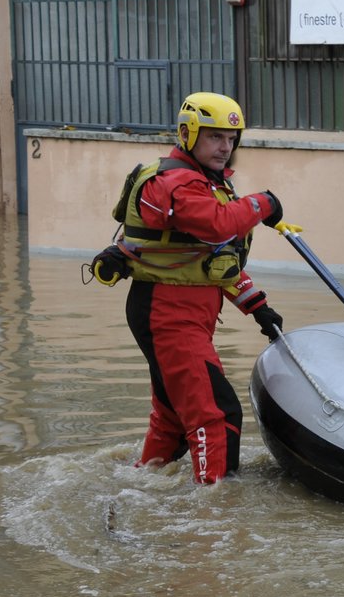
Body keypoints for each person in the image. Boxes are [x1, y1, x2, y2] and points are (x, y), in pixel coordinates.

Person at [87, 91, 297, 484]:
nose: (225, 147)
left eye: (232, 139)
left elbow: (213, 262)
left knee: (171, 418)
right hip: (167, 314)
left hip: (182, 312)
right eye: (215, 136)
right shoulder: (172, 183)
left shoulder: (207, 184)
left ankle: (139, 486)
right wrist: (264, 203)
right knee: (216, 415)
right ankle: (212, 516)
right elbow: (219, 225)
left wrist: (258, 308)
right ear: (188, 133)